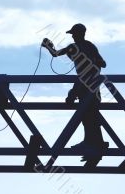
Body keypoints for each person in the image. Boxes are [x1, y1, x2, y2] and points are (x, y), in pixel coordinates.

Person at [42, 23, 108, 160]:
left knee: (87, 115)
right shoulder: (90, 46)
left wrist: (48, 46)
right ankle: (95, 143)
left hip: (85, 84)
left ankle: (93, 144)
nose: (72, 36)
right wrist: (94, 61)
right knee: (91, 115)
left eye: (73, 33)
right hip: (93, 85)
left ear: (78, 34)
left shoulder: (75, 47)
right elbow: (103, 63)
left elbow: (55, 54)